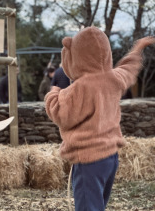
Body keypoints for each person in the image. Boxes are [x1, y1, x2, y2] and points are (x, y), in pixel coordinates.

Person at [44, 26, 155, 211]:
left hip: (88, 160)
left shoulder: (80, 88)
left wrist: (53, 93)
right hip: (110, 158)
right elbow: (128, 69)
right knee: (98, 205)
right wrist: (137, 50)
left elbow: (60, 114)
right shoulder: (113, 78)